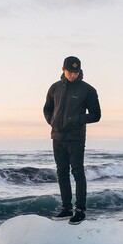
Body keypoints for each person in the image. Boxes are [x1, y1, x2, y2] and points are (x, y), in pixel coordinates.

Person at [43, 56, 101, 224]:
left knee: (77, 172)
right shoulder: (55, 88)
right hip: (57, 137)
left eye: (77, 72)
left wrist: (77, 119)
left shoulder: (87, 90)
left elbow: (96, 115)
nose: (74, 75)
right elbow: (47, 109)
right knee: (62, 172)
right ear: (63, 70)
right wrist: (52, 121)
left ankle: (80, 210)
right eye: (71, 72)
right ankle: (66, 208)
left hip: (75, 138)